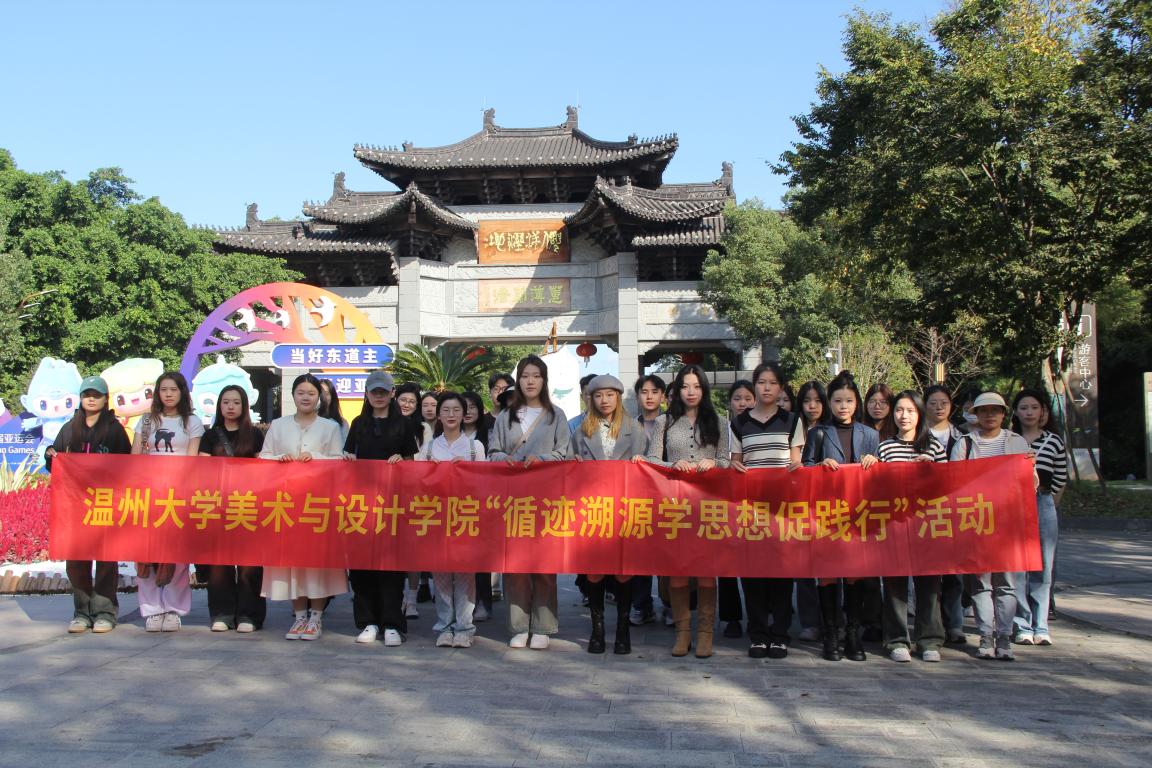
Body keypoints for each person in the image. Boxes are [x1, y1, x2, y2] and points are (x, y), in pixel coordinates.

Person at [645, 364, 731, 658]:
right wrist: (673, 464)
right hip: (676, 506)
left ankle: (705, 634)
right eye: (685, 386)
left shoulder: (719, 422)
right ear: (677, 390)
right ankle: (682, 634)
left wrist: (714, 463)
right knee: (678, 573)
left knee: (707, 574)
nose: (690, 392)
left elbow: (727, 461)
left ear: (704, 389)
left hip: (708, 506)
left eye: (696, 386)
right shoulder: (664, 422)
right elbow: (651, 459)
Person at [488, 354, 572, 649]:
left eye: (536, 375)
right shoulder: (505, 416)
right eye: (525, 376)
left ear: (544, 380)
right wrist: (505, 459)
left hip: (546, 500)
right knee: (515, 565)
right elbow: (493, 452)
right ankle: (518, 626)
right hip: (512, 500)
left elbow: (565, 453)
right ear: (518, 380)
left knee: (544, 565)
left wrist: (542, 459)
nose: (530, 381)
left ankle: (543, 627)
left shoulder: (556, 415)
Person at [260, 373, 347, 641]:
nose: (306, 397)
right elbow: (263, 457)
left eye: (311, 393)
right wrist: (279, 458)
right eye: (301, 392)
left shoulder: (330, 427)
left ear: (319, 397)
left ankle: (316, 617)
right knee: (292, 561)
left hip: (317, 505)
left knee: (317, 562)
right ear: (293, 395)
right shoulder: (278, 425)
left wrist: (316, 457)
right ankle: (299, 617)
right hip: (286, 504)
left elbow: (338, 461)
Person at [949, 391, 1034, 661]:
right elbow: (953, 482)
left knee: (1007, 583)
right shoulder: (965, 444)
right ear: (975, 414)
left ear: (1003, 414)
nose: (989, 415)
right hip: (977, 522)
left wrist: (1028, 469)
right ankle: (986, 636)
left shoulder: (1016, 442)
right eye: (983, 411)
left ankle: (1004, 637)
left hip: (1009, 524)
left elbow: (1030, 484)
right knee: (981, 584)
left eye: (994, 410)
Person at [802, 371, 879, 661]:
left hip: (859, 515)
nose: (843, 406)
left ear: (856, 403)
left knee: (855, 577)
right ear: (829, 403)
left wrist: (875, 462)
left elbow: (881, 478)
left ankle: (853, 635)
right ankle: (831, 634)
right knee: (828, 577)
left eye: (848, 400)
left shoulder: (870, 435)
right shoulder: (818, 433)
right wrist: (819, 465)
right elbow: (806, 469)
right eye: (837, 401)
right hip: (827, 515)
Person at [45, 375, 132, 634]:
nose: (91, 399)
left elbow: (127, 465)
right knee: (76, 560)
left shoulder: (114, 430)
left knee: (105, 559)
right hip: (74, 504)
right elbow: (55, 462)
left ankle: (105, 612)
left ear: (106, 399)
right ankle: (82, 612)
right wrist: (50, 454)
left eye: (96, 395)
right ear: (81, 398)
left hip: (105, 502)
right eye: (87, 395)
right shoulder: (69, 428)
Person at [342, 370, 420, 646]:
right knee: (362, 566)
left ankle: (392, 623)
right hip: (361, 505)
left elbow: (412, 464)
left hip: (392, 505)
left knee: (391, 567)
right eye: (374, 392)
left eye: (383, 392)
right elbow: (347, 456)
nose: (378, 396)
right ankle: (368, 622)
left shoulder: (404, 425)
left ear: (392, 393)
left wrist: (402, 461)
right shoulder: (358, 423)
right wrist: (349, 460)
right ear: (367, 394)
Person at [571, 375, 647, 654]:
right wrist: (573, 462)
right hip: (592, 509)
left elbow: (646, 464)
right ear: (591, 399)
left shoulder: (634, 428)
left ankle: (623, 630)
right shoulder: (581, 431)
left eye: (610, 395)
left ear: (618, 397)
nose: (604, 400)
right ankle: (598, 630)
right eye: (598, 395)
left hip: (625, 508)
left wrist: (641, 462)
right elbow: (569, 463)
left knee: (624, 571)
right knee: (594, 571)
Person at [731, 362, 799, 660]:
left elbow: (796, 462)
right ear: (754, 385)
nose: (767, 387)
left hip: (784, 510)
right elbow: (736, 460)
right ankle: (758, 634)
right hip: (751, 510)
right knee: (753, 573)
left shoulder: (792, 420)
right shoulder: (739, 423)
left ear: (780, 387)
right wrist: (734, 466)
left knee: (782, 574)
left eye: (772, 383)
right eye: (761, 382)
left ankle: (780, 635)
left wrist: (796, 468)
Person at [877, 390, 948, 663]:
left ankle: (929, 640)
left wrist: (933, 470)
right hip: (895, 526)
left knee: (929, 585)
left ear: (919, 414)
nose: (903, 416)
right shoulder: (885, 447)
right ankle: (896, 640)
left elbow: (948, 487)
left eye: (909, 410)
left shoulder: (934, 447)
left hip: (927, 526)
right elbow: (877, 489)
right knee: (895, 585)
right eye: (899, 410)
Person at [131, 371, 203, 632]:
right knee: (146, 554)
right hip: (149, 494)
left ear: (182, 392)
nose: (169, 394)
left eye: (174, 389)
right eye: (164, 389)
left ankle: (174, 609)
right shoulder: (146, 421)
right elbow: (135, 457)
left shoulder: (192, 421)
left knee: (177, 556)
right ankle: (152, 610)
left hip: (178, 495)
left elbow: (192, 460)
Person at [418, 391, 486, 648]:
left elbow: (485, 482)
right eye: (446, 410)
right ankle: (444, 626)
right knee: (442, 575)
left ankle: (465, 627)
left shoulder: (475, 447)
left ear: (464, 414)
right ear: (438, 414)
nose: (451, 415)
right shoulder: (428, 448)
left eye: (456, 410)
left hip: (465, 516)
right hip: (437, 517)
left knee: (466, 575)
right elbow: (418, 482)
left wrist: (467, 469)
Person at [198, 385, 266, 633]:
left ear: (244, 406)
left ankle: (249, 615)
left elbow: (263, 470)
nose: (230, 407)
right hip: (216, 506)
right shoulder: (210, 436)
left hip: (248, 505)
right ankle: (222, 613)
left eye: (236, 402)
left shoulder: (255, 435)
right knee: (219, 563)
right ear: (219, 406)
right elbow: (202, 470)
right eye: (226, 402)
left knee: (249, 564)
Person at [1011, 388, 1067, 646]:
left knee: (1044, 566)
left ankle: (1041, 625)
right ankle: (1022, 624)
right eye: (1024, 408)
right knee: (1017, 567)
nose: (1029, 412)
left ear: (1043, 411)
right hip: (1013, 506)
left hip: (1043, 503)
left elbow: (1060, 477)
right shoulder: (1009, 440)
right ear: (1015, 412)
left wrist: (1048, 502)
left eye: (1034, 407)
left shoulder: (1054, 441)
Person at [924, 384, 967, 645]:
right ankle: (930, 624)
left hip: (954, 509)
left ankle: (955, 623)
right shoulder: (917, 436)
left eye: (944, 403)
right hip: (922, 511)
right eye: (933, 403)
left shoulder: (962, 437)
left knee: (954, 571)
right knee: (927, 572)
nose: (939, 408)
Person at [790, 380, 831, 643]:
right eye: (806, 401)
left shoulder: (832, 430)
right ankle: (810, 622)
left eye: (817, 400)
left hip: (829, 507)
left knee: (830, 569)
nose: (812, 406)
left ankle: (832, 621)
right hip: (798, 506)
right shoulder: (792, 429)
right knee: (803, 569)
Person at [719, 379, 757, 639]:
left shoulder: (760, 427)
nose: (742, 403)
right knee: (727, 564)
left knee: (753, 562)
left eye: (747, 398)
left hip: (756, 503)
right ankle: (731, 617)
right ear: (730, 402)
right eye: (737, 398)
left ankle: (756, 615)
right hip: (725, 502)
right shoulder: (722, 428)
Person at [629, 374, 667, 627]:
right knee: (639, 555)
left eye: (655, 391)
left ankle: (670, 604)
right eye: (644, 392)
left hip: (668, 497)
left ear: (662, 396)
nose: (650, 396)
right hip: (638, 498)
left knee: (668, 553)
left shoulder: (674, 423)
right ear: (637, 396)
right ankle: (642, 606)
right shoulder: (629, 426)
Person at [394, 381, 431, 611]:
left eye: (411, 402)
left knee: (413, 549)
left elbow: (426, 458)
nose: (406, 404)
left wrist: (407, 462)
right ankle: (396, 597)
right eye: (403, 400)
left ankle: (412, 599)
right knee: (393, 548)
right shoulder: (387, 423)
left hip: (416, 493)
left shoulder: (423, 429)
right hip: (389, 494)